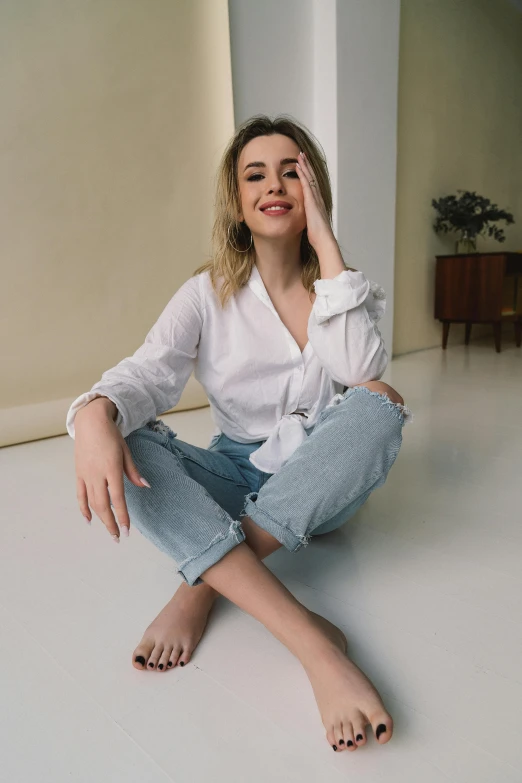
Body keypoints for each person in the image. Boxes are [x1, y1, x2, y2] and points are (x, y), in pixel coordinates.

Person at [67, 114, 413, 754]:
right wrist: (94, 414)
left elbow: (364, 371)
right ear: (237, 198)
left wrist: (325, 242)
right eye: (255, 174)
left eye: (292, 171)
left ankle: (198, 583)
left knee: (380, 400)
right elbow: (145, 374)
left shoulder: (342, 290)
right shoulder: (204, 294)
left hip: (324, 483)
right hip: (236, 475)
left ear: (314, 187)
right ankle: (315, 643)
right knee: (130, 439)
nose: (273, 185)